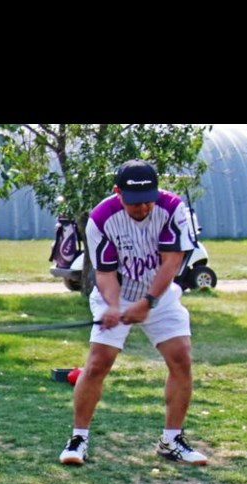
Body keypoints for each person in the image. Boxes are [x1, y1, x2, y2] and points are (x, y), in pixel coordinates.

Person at [59, 159, 207, 465]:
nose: (142, 209)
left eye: (147, 201)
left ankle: (171, 440)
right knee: (99, 361)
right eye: (134, 203)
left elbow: (171, 261)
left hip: (160, 294)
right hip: (118, 291)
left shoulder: (173, 209)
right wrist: (114, 307)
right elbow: (105, 273)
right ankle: (78, 440)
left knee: (181, 358)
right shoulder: (101, 218)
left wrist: (148, 302)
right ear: (117, 192)